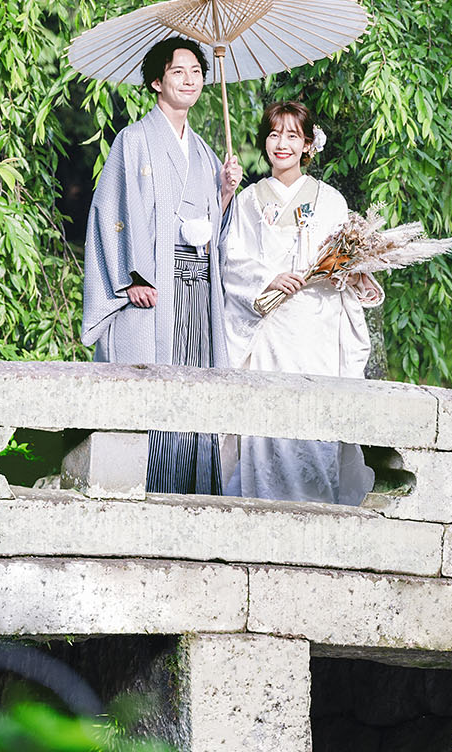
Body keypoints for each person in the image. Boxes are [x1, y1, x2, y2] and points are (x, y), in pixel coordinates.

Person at [81, 36, 242, 494]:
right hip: (154, 289)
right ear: (156, 81)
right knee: (156, 392)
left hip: (196, 290)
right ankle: (150, 490)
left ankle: (194, 492)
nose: (189, 79)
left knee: (194, 386)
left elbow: (213, 225)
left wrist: (225, 193)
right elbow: (110, 213)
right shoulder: (132, 142)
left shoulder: (209, 154)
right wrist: (131, 277)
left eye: (196, 72)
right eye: (178, 71)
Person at [220, 100, 377, 505]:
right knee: (266, 422)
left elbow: (346, 265)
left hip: (317, 328)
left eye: (292, 135)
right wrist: (266, 278)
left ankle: (318, 512)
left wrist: (348, 270)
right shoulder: (249, 200)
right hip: (270, 329)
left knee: (314, 425)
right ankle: (259, 509)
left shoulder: (331, 202)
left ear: (308, 145)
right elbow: (231, 261)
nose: (281, 144)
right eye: (274, 134)